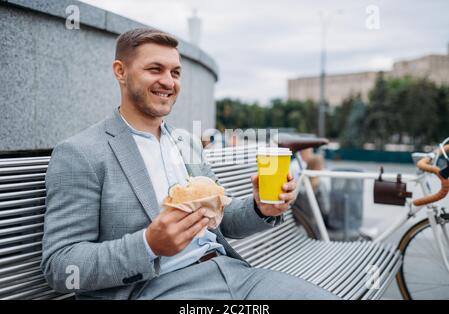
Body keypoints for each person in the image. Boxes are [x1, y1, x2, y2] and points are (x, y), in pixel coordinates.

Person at [40, 28, 339, 300]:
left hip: (234, 273)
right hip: (156, 288)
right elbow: (61, 265)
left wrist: (261, 207)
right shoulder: (81, 153)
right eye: (155, 69)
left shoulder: (185, 143)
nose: (168, 82)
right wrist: (148, 244)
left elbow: (222, 219)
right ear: (121, 71)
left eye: (176, 72)